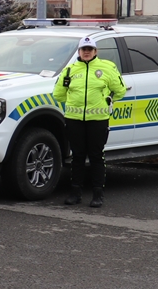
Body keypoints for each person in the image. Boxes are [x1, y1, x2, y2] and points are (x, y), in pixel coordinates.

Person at [53, 36, 125, 208]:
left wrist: (107, 99)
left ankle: (97, 194)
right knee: (77, 157)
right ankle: (75, 193)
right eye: (84, 49)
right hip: (74, 120)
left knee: (96, 156)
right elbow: (58, 94)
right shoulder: (70, 70)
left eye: (90, 49)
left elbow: (120, 90)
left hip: (98, 120)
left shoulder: (106, 68)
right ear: (79, 52)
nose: (86, 52)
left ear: (95, 51)